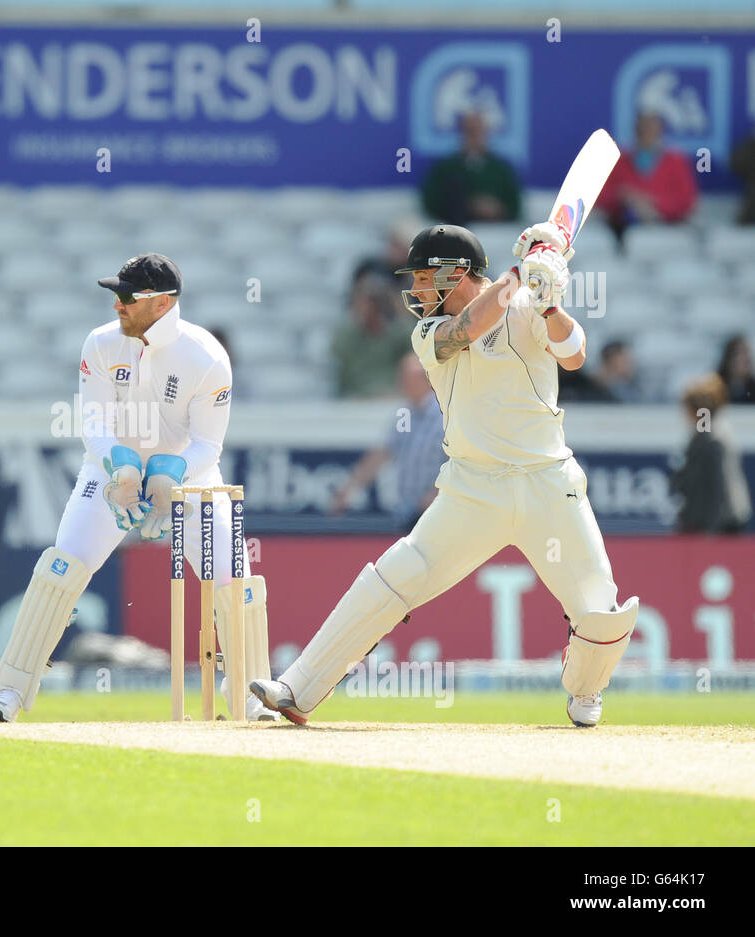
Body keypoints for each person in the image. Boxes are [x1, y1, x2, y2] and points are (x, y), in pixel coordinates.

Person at [251, 223, 639, 729]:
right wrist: (520, 274)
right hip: (472, 488)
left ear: (455, 273)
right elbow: (471, 328)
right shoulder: (429, 332)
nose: (412, 291)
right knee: (393, 576)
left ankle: (584, 689)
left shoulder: (526, 306)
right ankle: (296, 689)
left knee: (602, 613)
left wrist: (546, 300)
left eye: (420, 278)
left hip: (549, 483)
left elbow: (575, 354)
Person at [0, 253, 277, 722]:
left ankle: (252, 698)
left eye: (126, 297)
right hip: (110, 473)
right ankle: (7, 693)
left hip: (191, 481)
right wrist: (120, 467)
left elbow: (208, 444)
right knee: (61, 567)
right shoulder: (100, 344)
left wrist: (169, 473)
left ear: (160, 303)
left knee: (234, 583)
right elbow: (94, 422)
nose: (116, 305)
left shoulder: (206, 356)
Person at [330, 352, 446, 530]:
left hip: (437, 510)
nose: (402, 383)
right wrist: (349, 489)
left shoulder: (443, 414)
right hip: (408, 510)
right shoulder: (406, 413)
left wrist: (438, 495)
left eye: (407, 378)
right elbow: (385, 451)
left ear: (425, 379)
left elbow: (456, 461)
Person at [672, 374, 752, 533]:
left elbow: (715, 485)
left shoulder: (711, 435)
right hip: (723, 516)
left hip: (722, 521)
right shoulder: (716, 428)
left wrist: (709, 528)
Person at [600, 110, 698, 236]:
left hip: (667, 232)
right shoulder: (619, 160)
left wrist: (653, 204)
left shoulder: (676, 162)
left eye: (652, 127)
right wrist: (625, 197)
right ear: (636, 129)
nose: (647, 131)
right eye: (643, 127)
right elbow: (602, 198)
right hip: (624, 232)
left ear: (660, 130)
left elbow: (686, 202)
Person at [420, 111, 522, 226]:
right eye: (470, 131)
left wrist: (497, 209)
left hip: (495, 232)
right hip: (457, 229)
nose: (475, 136)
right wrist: (469, 206)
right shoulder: (445, 168)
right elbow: (430, 203)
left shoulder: (502, 169)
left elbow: (516, 207)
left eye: (479, 131)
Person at [331, 270, 409, 398]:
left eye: (369, 304)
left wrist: (397, 305)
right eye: (357, 303)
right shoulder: (347, 337)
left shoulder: (397, 335)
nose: (362, 309)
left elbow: (414, 342)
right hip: (354, 400)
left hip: (392, 397)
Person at [716, 335, 755, 405]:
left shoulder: (753, 387)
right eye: (741, 353)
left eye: (748, 353)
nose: (747, 359)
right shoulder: (714, 387)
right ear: (729, 358)